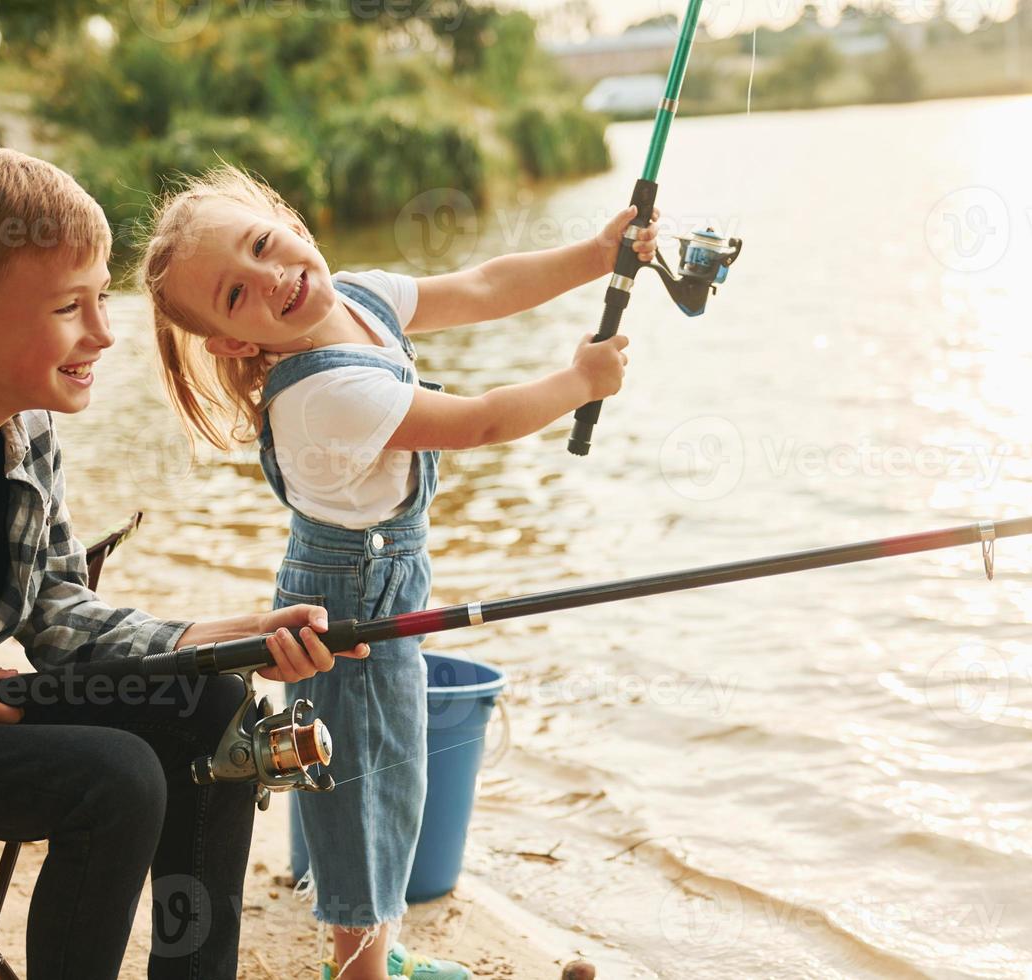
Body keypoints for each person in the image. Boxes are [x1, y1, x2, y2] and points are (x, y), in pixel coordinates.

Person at [0, 139, 369, 980]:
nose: (104, 333)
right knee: (115, 775)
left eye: (100, 298)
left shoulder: (28, 423)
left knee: (215, 707)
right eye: (67, 309)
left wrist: (236, 634)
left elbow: (59, 617)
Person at [138, 164, 656, 980]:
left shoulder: (356, 297)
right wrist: (578, 383)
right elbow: (478, 423)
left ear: (290, 223)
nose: (273, 278)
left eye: (266, 244)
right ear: (234, 343)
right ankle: (362, 969)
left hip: (381, 577)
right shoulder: (322, 396)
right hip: (347, 604)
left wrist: (594, 255)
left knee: (384, 772)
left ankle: (372, 951)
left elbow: (484, 285)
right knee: (365, 788)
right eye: (236, 294)